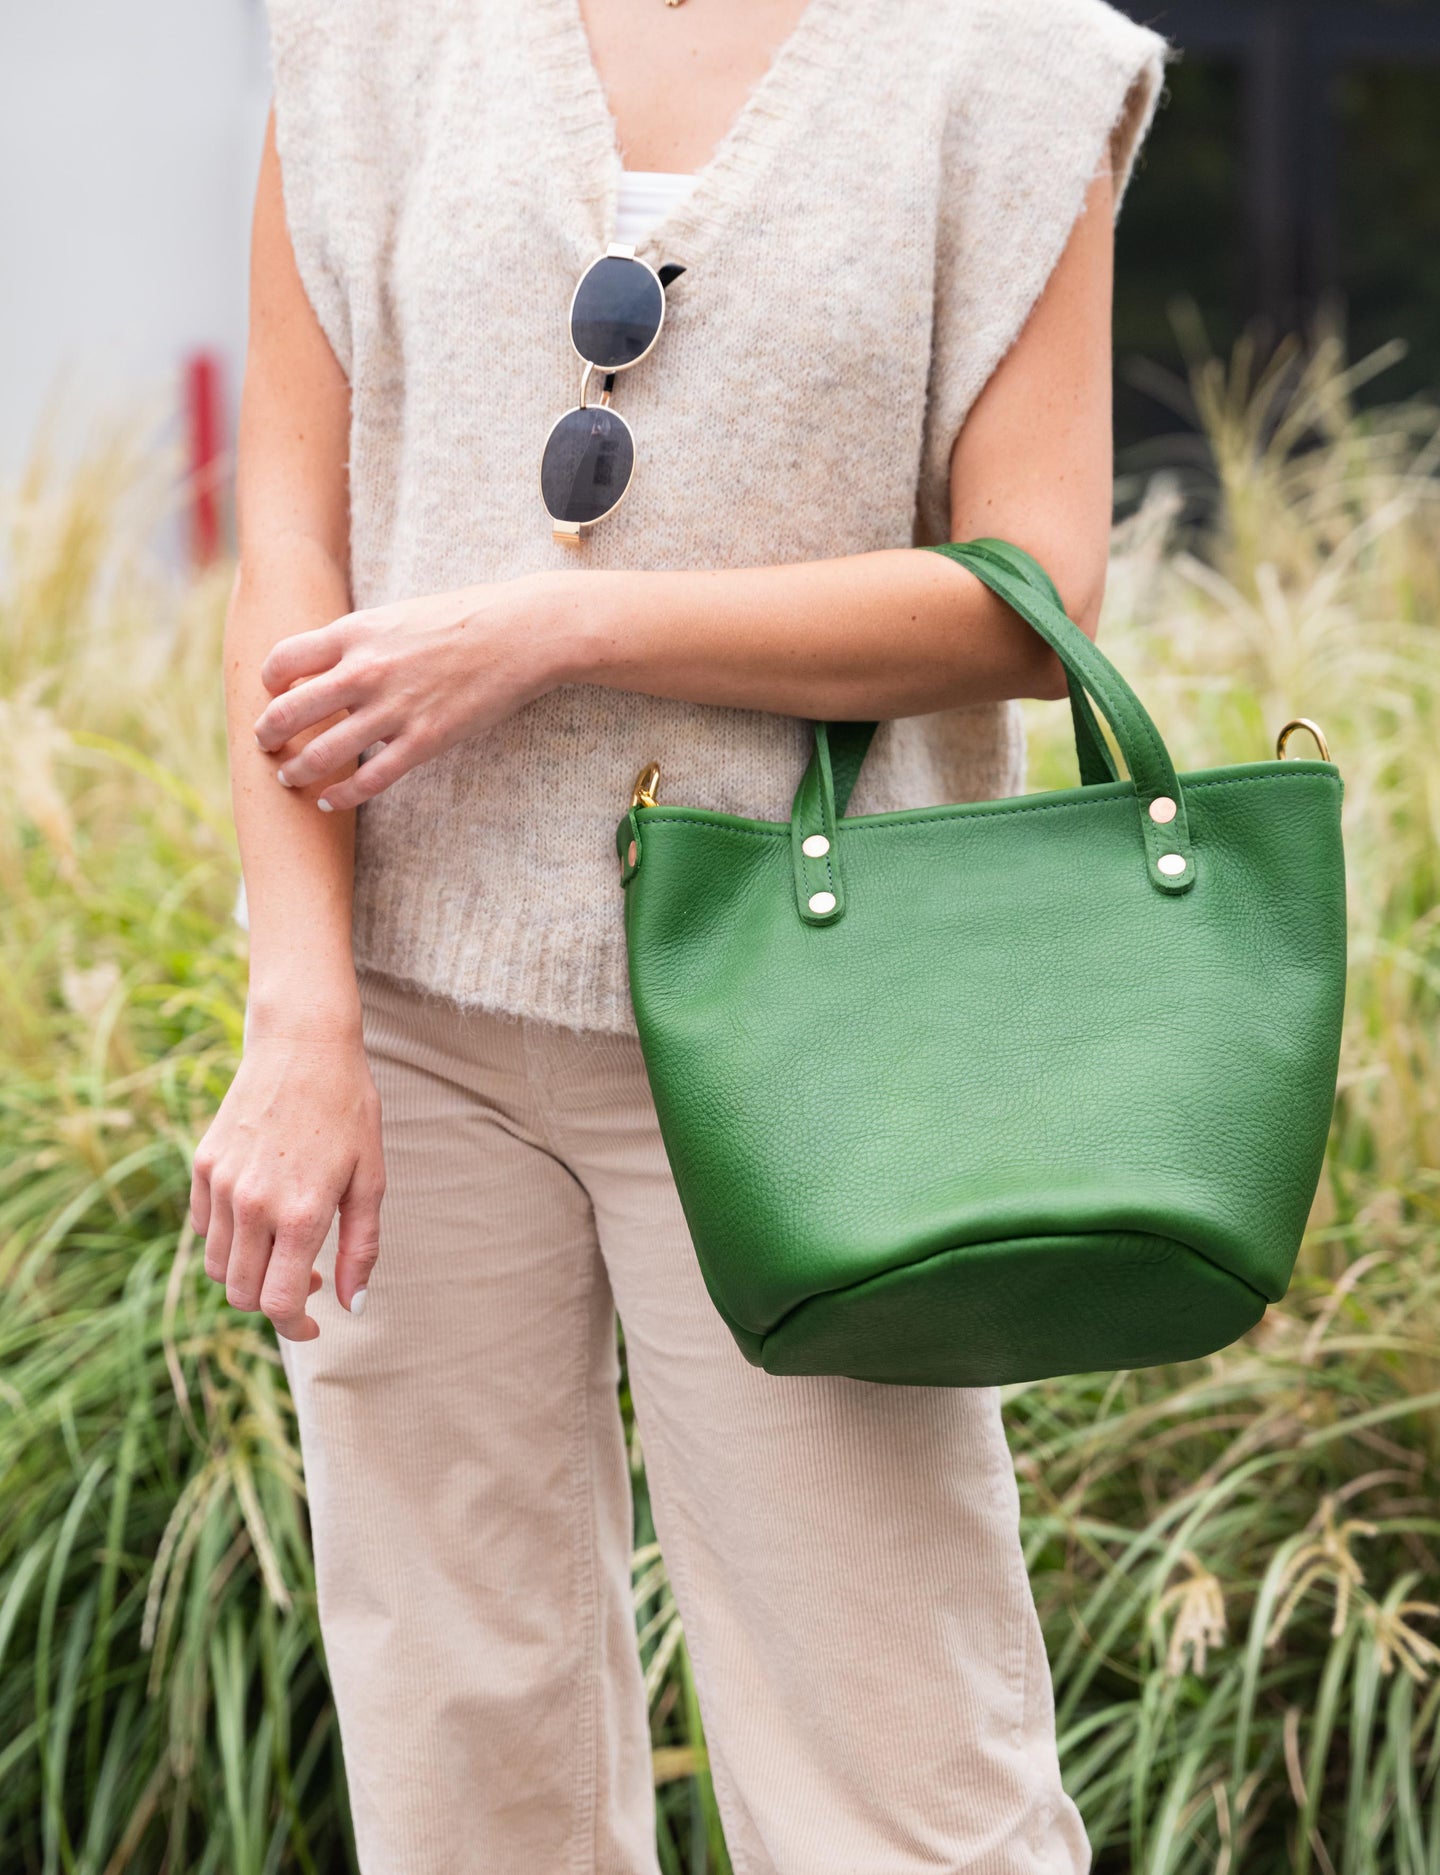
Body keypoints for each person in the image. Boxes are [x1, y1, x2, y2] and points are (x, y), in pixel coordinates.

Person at [191, 0, 1169, 1867]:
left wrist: (563, 628)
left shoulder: (1011, 66)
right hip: (403, 1030)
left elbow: (1030, 597)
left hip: (810, 1025)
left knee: (898, 1780)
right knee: (464, 1768)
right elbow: (291, 561)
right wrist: (300, 1014)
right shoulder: (369, 38)